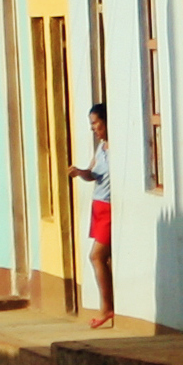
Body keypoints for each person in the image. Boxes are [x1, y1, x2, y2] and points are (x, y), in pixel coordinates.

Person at [67, 102, 117, 329]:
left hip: (108, 207)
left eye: (96, 123)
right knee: (102, 258)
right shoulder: (102, 147)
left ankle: (106, 308)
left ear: (106, 121)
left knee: (96, 256)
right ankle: (108, 304)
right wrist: (80, 172)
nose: (93, 128)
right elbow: (93, 173)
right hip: (98, 206)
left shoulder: (115, 148)